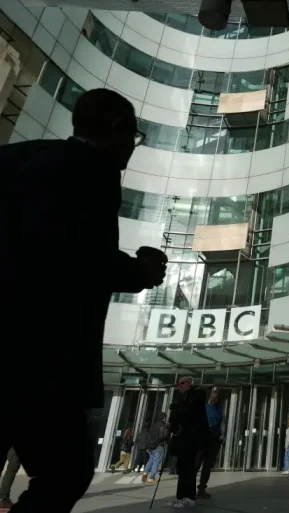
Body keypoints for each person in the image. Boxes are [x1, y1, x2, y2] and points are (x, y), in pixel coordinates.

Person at [0, 88, 167, 513]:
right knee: (66, 471)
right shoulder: (88, 169)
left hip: (21, 352)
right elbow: (67, 254)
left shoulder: (21, 158)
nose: (133, 147)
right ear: (116, 129)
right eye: (134, 136)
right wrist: (141, 272)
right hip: (35, 354)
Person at [167, 377, 208, 509]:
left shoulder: (195, 396)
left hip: (191, 439)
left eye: (182, 383)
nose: (179, 386)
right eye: (178, 384)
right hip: (182, 438)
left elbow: (189, 414)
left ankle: (190, 497)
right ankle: (181, 497)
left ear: (189, 384)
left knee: (189, 468)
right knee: (182, 468)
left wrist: (178, 412)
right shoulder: (183, 398)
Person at [196, 390, 224, 499]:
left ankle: (202, 489)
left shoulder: (220, 410)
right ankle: (189, 489)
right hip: (203, 439)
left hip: (214, 441)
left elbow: (222, 424)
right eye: (212, 397)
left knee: (207, 466)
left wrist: (221, 436)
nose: (214, 400)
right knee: (196, 464)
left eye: (216, 398)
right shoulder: (204, 408)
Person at [142, 414, 168, 484]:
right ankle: (151, 478)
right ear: (164, 418)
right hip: (158, 445)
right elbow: (163, 437)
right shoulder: (163, 425)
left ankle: (145, 473)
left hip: (150, 446)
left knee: (151, 459)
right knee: (156, 462)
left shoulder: (153, 425)